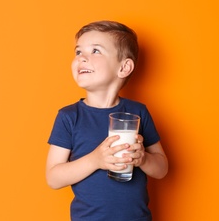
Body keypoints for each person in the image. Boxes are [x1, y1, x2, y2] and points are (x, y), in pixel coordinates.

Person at [46, 20, 168, 220]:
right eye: (78, 52)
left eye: (95, 51)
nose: (82, 58)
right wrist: (95, 160)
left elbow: (162, 169)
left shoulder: (138, 112)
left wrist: (143, 159)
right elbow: (53, 178)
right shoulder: (69, 116)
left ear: (124, 67)